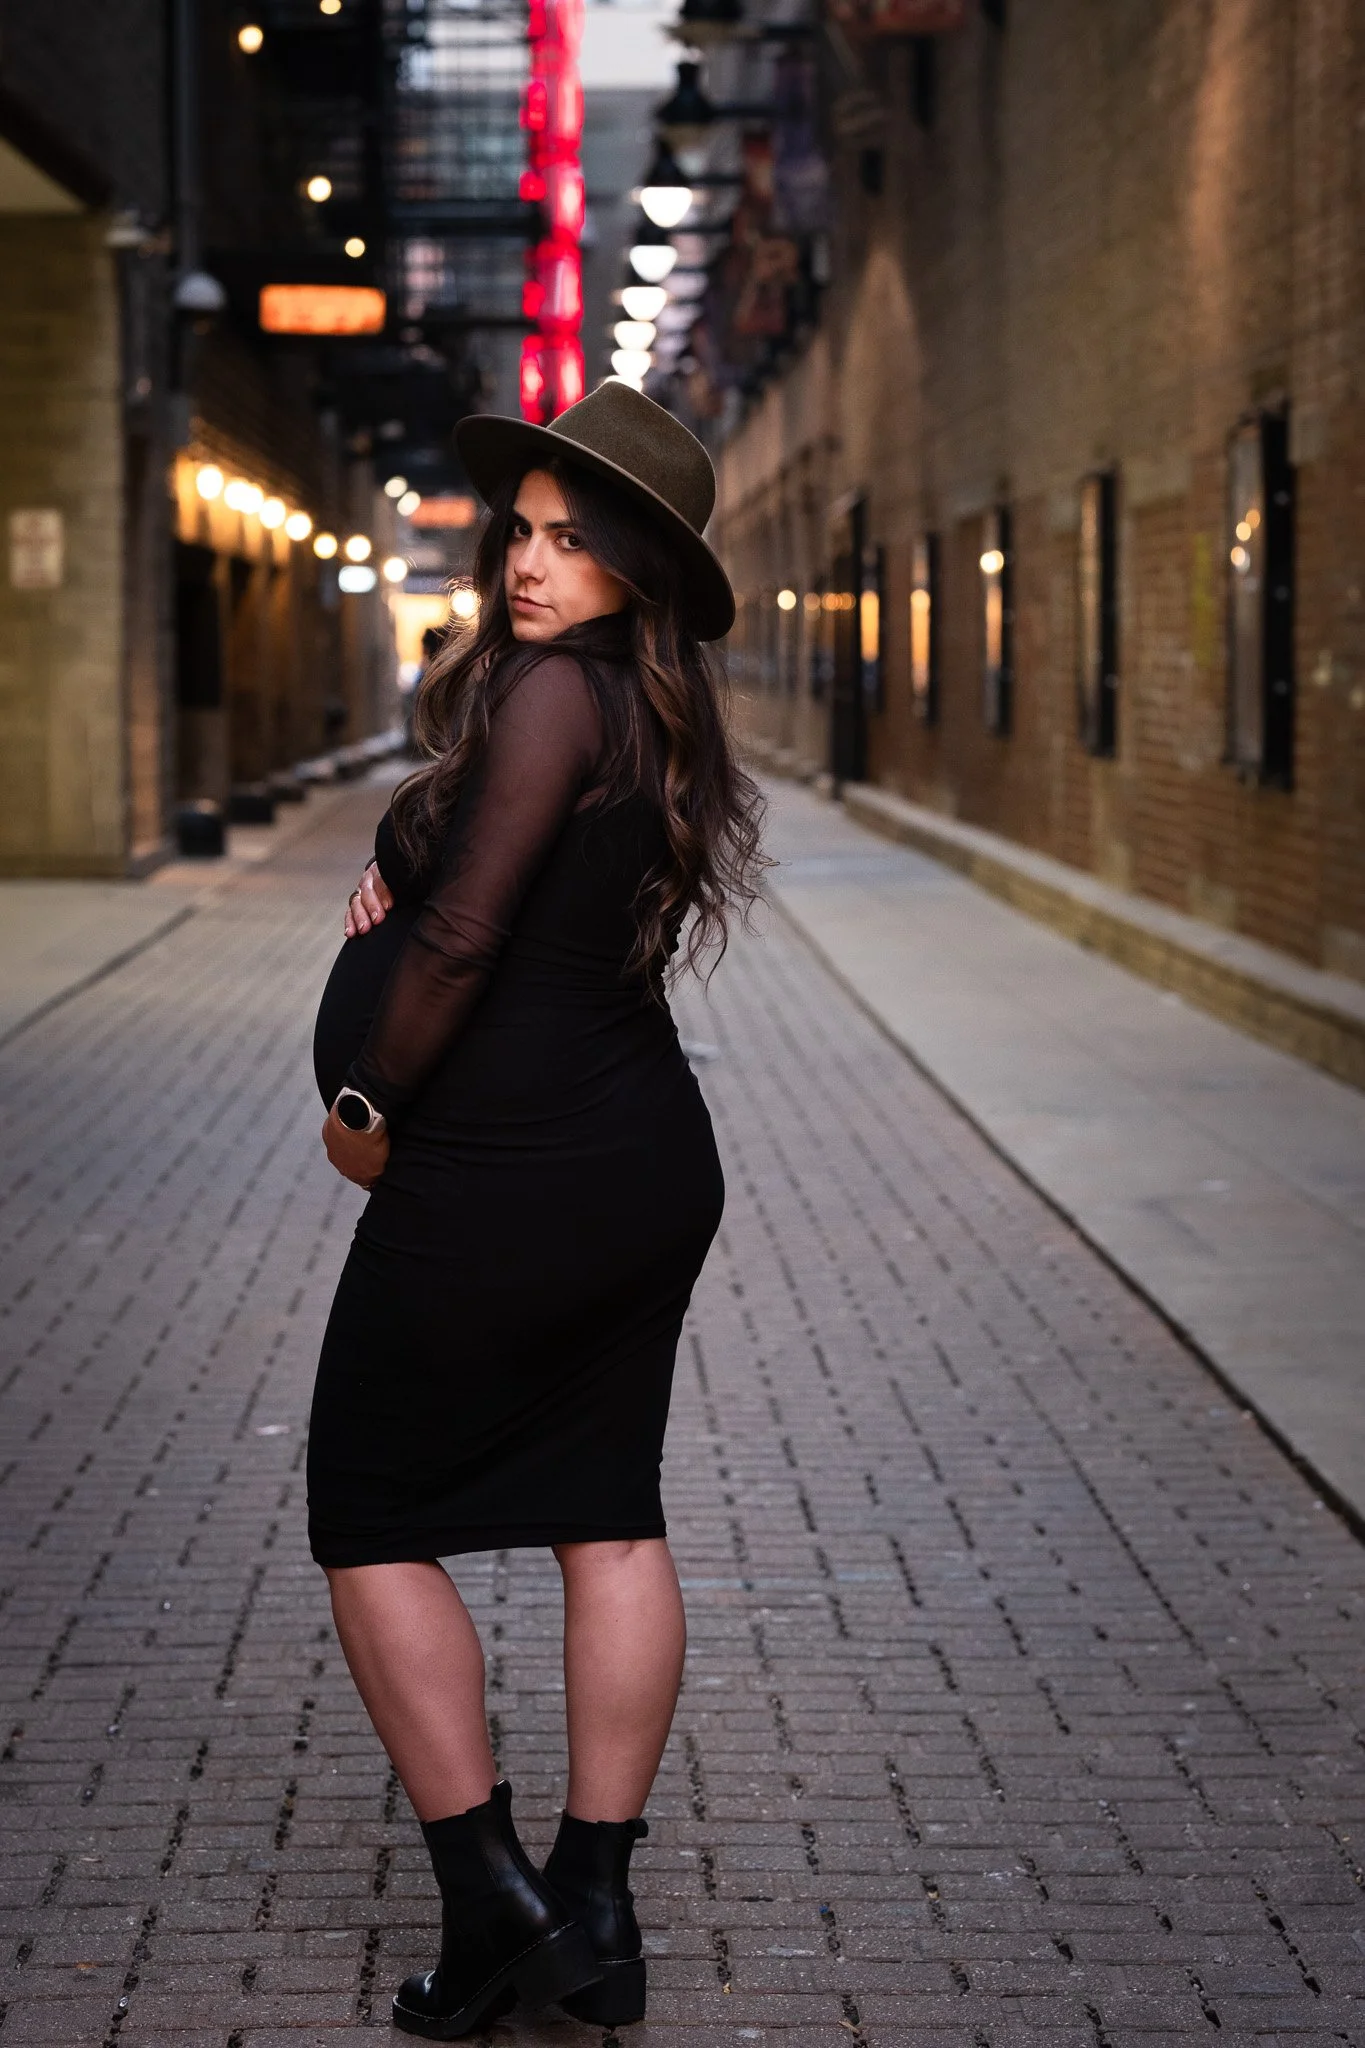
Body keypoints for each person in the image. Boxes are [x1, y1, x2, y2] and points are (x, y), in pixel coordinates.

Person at [308, 382, 764, 2039]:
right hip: (636, 1163)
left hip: (507, 1175)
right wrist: (415, 859)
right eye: (522, 532)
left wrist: (368, 1100)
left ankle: (495, 1903)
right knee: (608, 1513)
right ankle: (597, 1910)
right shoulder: (643, 711)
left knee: (368, 1508)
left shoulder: (553, 691)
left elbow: (464, 940)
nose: (528, 562)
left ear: (637, 567)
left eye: (572, 543)